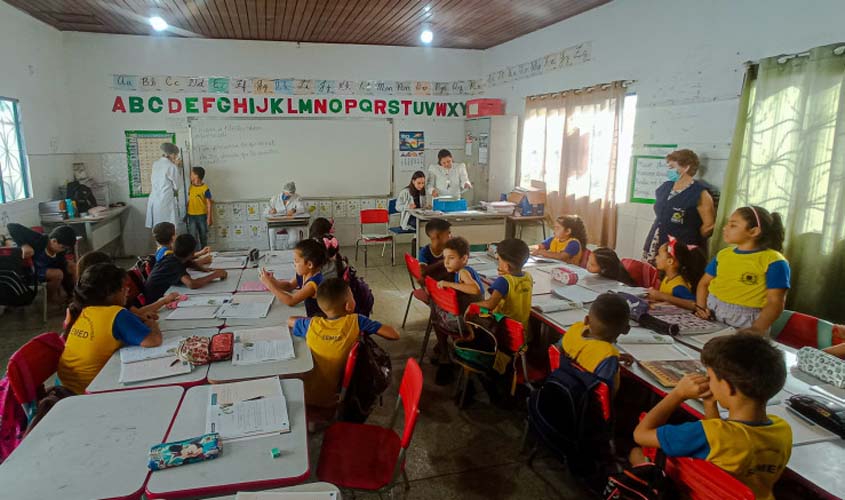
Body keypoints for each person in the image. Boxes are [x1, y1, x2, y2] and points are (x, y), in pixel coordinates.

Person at [631, 333, 792, 500]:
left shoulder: (705, 434)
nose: (708, 381)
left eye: (711, 377)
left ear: (728, 387)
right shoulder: (783, 430)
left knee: (636, 453)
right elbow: (723, 440)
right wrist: (710, 404)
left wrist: (678, 394)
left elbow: (640, 434)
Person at [288, 278, 399, 408]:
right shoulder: (356, 321)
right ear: (349, 305)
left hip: (305, 395)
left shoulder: (312, 325)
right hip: (336, 396)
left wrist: (313, 320)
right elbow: (394, 335)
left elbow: (290, 320)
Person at [57, 263, 163, 394]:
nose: (127, 290)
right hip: (91, 389)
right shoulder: (117, 314)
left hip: (68, 386)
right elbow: (154, 341)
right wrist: (153, 325)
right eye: (123, 287)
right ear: (109, 293)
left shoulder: (86, 310)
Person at [695, 206, 789, 333]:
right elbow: (703, 284)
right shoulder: (723, 254)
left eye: (733, 225)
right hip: (713, 312)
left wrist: (757, 329)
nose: (725, 228)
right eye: (727, 224)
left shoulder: (774, 261)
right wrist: (701, 308)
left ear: (754, 231)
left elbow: (775, 302)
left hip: (747, 322)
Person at [642, 149, 716, 264]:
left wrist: (690, 235)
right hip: (658, 240)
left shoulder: (699, 193)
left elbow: (709, 226)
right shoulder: (665, 187)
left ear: (686, 167)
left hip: (682, 246)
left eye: (672, 168)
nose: (669, 171)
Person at [73, 251, 179, 323]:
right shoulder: (111, 301)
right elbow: (152, 339)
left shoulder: (80, 301)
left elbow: (136, 313)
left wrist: (163, 301)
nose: (125, 290)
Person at [560, 293, 632, 394]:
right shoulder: (608, 356)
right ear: (626, 330)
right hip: (585, 405)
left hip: (562, 390)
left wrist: (615, 358)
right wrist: (612, 360)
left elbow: (582, 352)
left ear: (587, 320)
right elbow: (604, 394)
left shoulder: (575, 329)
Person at [144, 234, 227, 303]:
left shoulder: (173, 256)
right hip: (154, 300)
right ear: (192, 253)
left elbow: (189, 262)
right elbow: (192, 284)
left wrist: (203, 269)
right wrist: (214, 275)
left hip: (158, 294)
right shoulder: (174, 265)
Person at [6, 223, 77, 303]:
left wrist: (69, 293)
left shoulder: (60, 253)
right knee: (58, 274)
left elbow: (64, 270)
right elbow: (11, 226)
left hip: (47, 269)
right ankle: (50, 299)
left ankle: (74, 294)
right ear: (54, 241)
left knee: (72, 266)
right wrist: (24, 245)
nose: (63, 250)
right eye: (63, 247)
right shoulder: (39, 239)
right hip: (32, 271)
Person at [260, 238, 326, 317]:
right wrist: (273, 281)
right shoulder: (304, 273)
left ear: (309, 265)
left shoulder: (313, 284)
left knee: (290, 320)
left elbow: (291, 301)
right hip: (306, 312)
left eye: (297, 261)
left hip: (315, 320)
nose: (294, 264)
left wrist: (269, 285)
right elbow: (289, 285)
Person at [476, 238, 533, 330]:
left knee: (476, 312)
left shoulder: (503, 281)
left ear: (506, 266)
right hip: (522, 329)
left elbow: (490, 305)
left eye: (498, 260)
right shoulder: (528, 277)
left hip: (504, 329)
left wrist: (471, 304)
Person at [647, 237, 707, 311]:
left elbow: (694, 304)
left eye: (659, 255)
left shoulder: (678, 286)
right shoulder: (667, 278)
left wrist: (662, 296)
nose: (656, 257)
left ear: (670, 261)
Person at [145, 142, 182, 229]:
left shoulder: (155, 164)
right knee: (168, 229)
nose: (176, 157)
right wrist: (177, 167)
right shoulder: (171, 166)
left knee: (157, 229)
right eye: (176, 155)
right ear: (172, 154)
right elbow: (177, 186)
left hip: (154, 200)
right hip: (165, 200)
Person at [267, 181, 307, 248]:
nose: (288, 196)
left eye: (291, 194)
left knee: (294, 239)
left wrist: (294, 210)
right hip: (278, 223)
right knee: (271, 230)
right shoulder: (275, 198)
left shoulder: (297, 197)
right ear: (283, 191)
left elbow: (302, 208)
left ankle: (289, 249)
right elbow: (267, 210)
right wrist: (271, 211)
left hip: (291, 224)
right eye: (287, 193)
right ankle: (273, 249)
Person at [186, 166, 213, 250]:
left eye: (192, 174)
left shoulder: (205, 188)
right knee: (192, 237)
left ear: (196, 176)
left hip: (201, 216)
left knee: (203, 236)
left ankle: (204, 252)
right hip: (191, 216)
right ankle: (194, 254)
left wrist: (209, 218)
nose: (190, 175)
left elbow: (209, 203)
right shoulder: (191, 187)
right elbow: (190, 201)